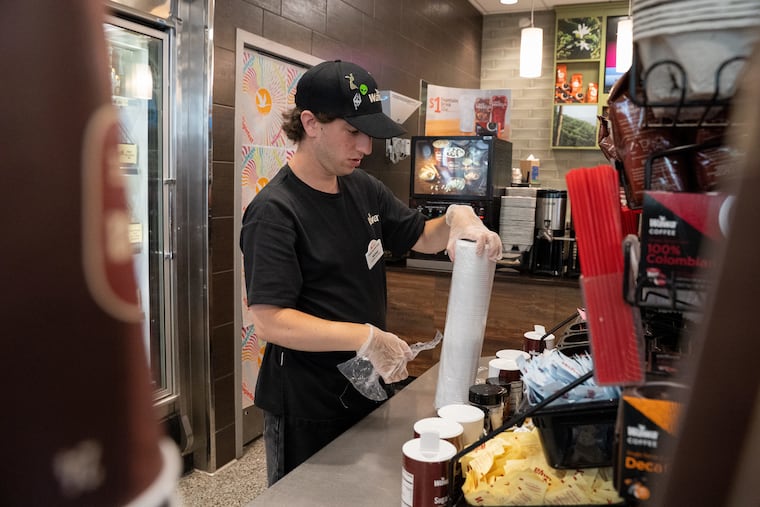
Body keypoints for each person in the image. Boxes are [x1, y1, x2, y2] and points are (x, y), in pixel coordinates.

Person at [240, 60, 503, 486]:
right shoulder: (275, 212)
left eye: (369, 134)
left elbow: (420, 235)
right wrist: (365, 337)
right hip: (307, 400)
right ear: (311, 123)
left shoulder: (363, 188)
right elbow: (270, 320)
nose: (365, 147)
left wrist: (458, 218)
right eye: (353, 132)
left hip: (364, 385)